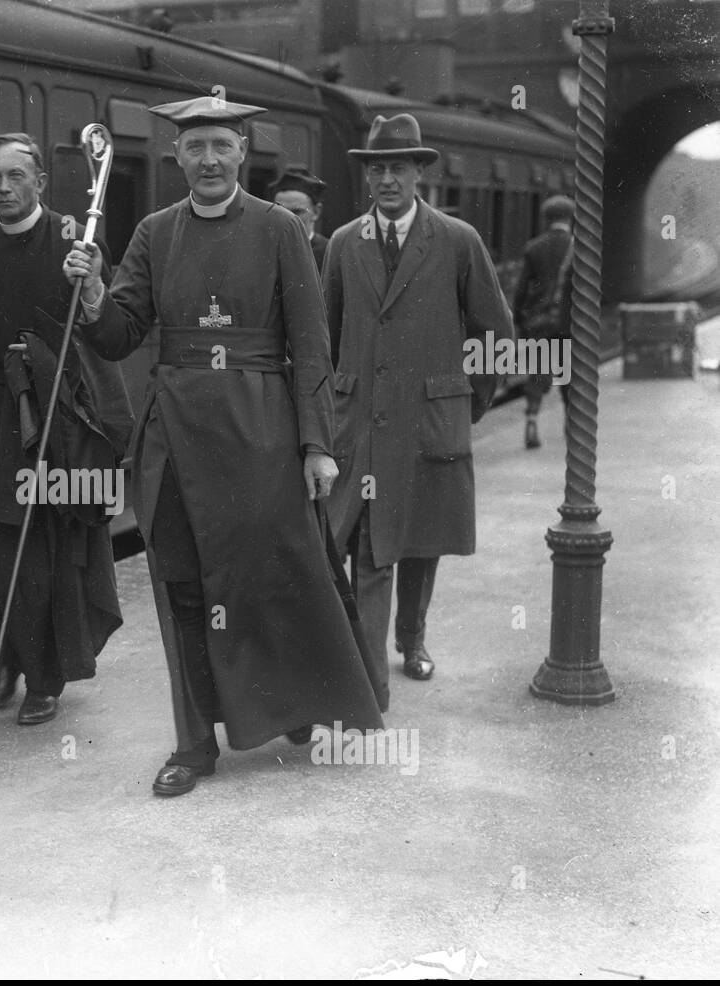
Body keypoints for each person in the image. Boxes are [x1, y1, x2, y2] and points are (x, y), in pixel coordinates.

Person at [64, 96, 383, 797]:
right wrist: (90, 296)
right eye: (195, 147)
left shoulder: (278, 229)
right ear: (178, 156)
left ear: (243, 154)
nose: (208, 159)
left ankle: (297, 703)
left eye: (221, 146)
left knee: (275, 578)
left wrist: (316, 444)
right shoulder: (154, 232)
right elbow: (119, 333)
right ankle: (192, 744)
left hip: (263, 432)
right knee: (182, 588)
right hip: (174, 440)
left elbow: (310, 344)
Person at [0, 133, 129, 726]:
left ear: (40, 182)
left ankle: (45, 677)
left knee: (42, 549)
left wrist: (91, 279)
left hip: (53, 419)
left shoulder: (72, 243)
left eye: (14, 177)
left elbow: (105, 336)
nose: (1, 189)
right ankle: (6, 660)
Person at [322, 113, 512, 690]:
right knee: (367, 542)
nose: (386, 179)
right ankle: (368, 681)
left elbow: (495, 335)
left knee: (419, 538)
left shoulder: (457, 240)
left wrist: (465, 402)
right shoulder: (342, 243)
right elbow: (324, 337)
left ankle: (413, 638)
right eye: (377, 168)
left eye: (397, 168)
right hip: (360, 423)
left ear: (418, 174)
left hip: (430, 417)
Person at [512, 194, 575, 448]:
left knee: (538, 374)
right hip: (569, 324)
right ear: (570, 218)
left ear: (546, 219)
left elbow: (521, 289)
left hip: (540, 323)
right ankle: (571, 424)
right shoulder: (578, 247)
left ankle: (531, 419)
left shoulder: (534, 247)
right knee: (568, 377)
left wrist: (519, 318)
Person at [270, 164, 328, 273]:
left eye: (296, 212)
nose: (287, 219)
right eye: (279, 211)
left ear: (316, 212)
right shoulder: (263, 251)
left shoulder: (329, 253)